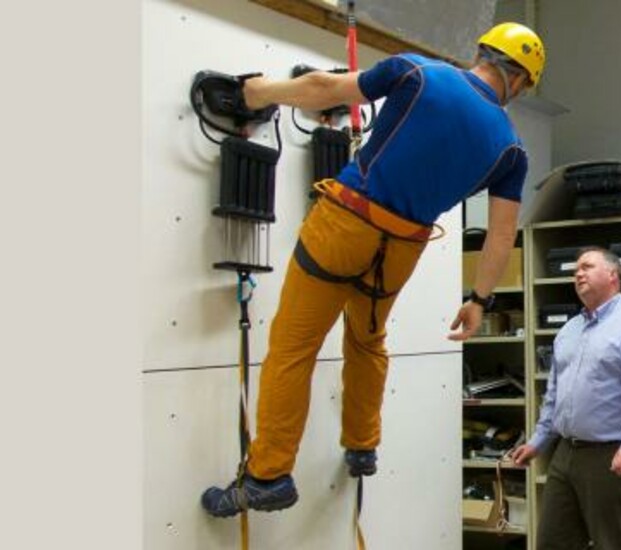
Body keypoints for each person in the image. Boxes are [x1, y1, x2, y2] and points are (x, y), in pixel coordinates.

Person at [201, 22, 547, 518]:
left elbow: (323, 89)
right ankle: (362, 445)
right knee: (367, 339)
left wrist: (258, 93)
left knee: (294, 346)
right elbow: (499, 233)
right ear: (521, 81)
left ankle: (269, 475)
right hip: (402, 249)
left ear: (482, 52)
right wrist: (479, 300)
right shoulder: (511, 151)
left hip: (346, 225)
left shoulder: (419, 72)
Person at [510, 246, 621, 550]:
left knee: (614, 543)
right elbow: (554, 395)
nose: (578, 273)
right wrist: (538, 441)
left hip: (610, 454)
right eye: (575, 270)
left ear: (612, 275)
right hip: (565, 454)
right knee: (553, 542)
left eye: (587, 266)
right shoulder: (568, 331)